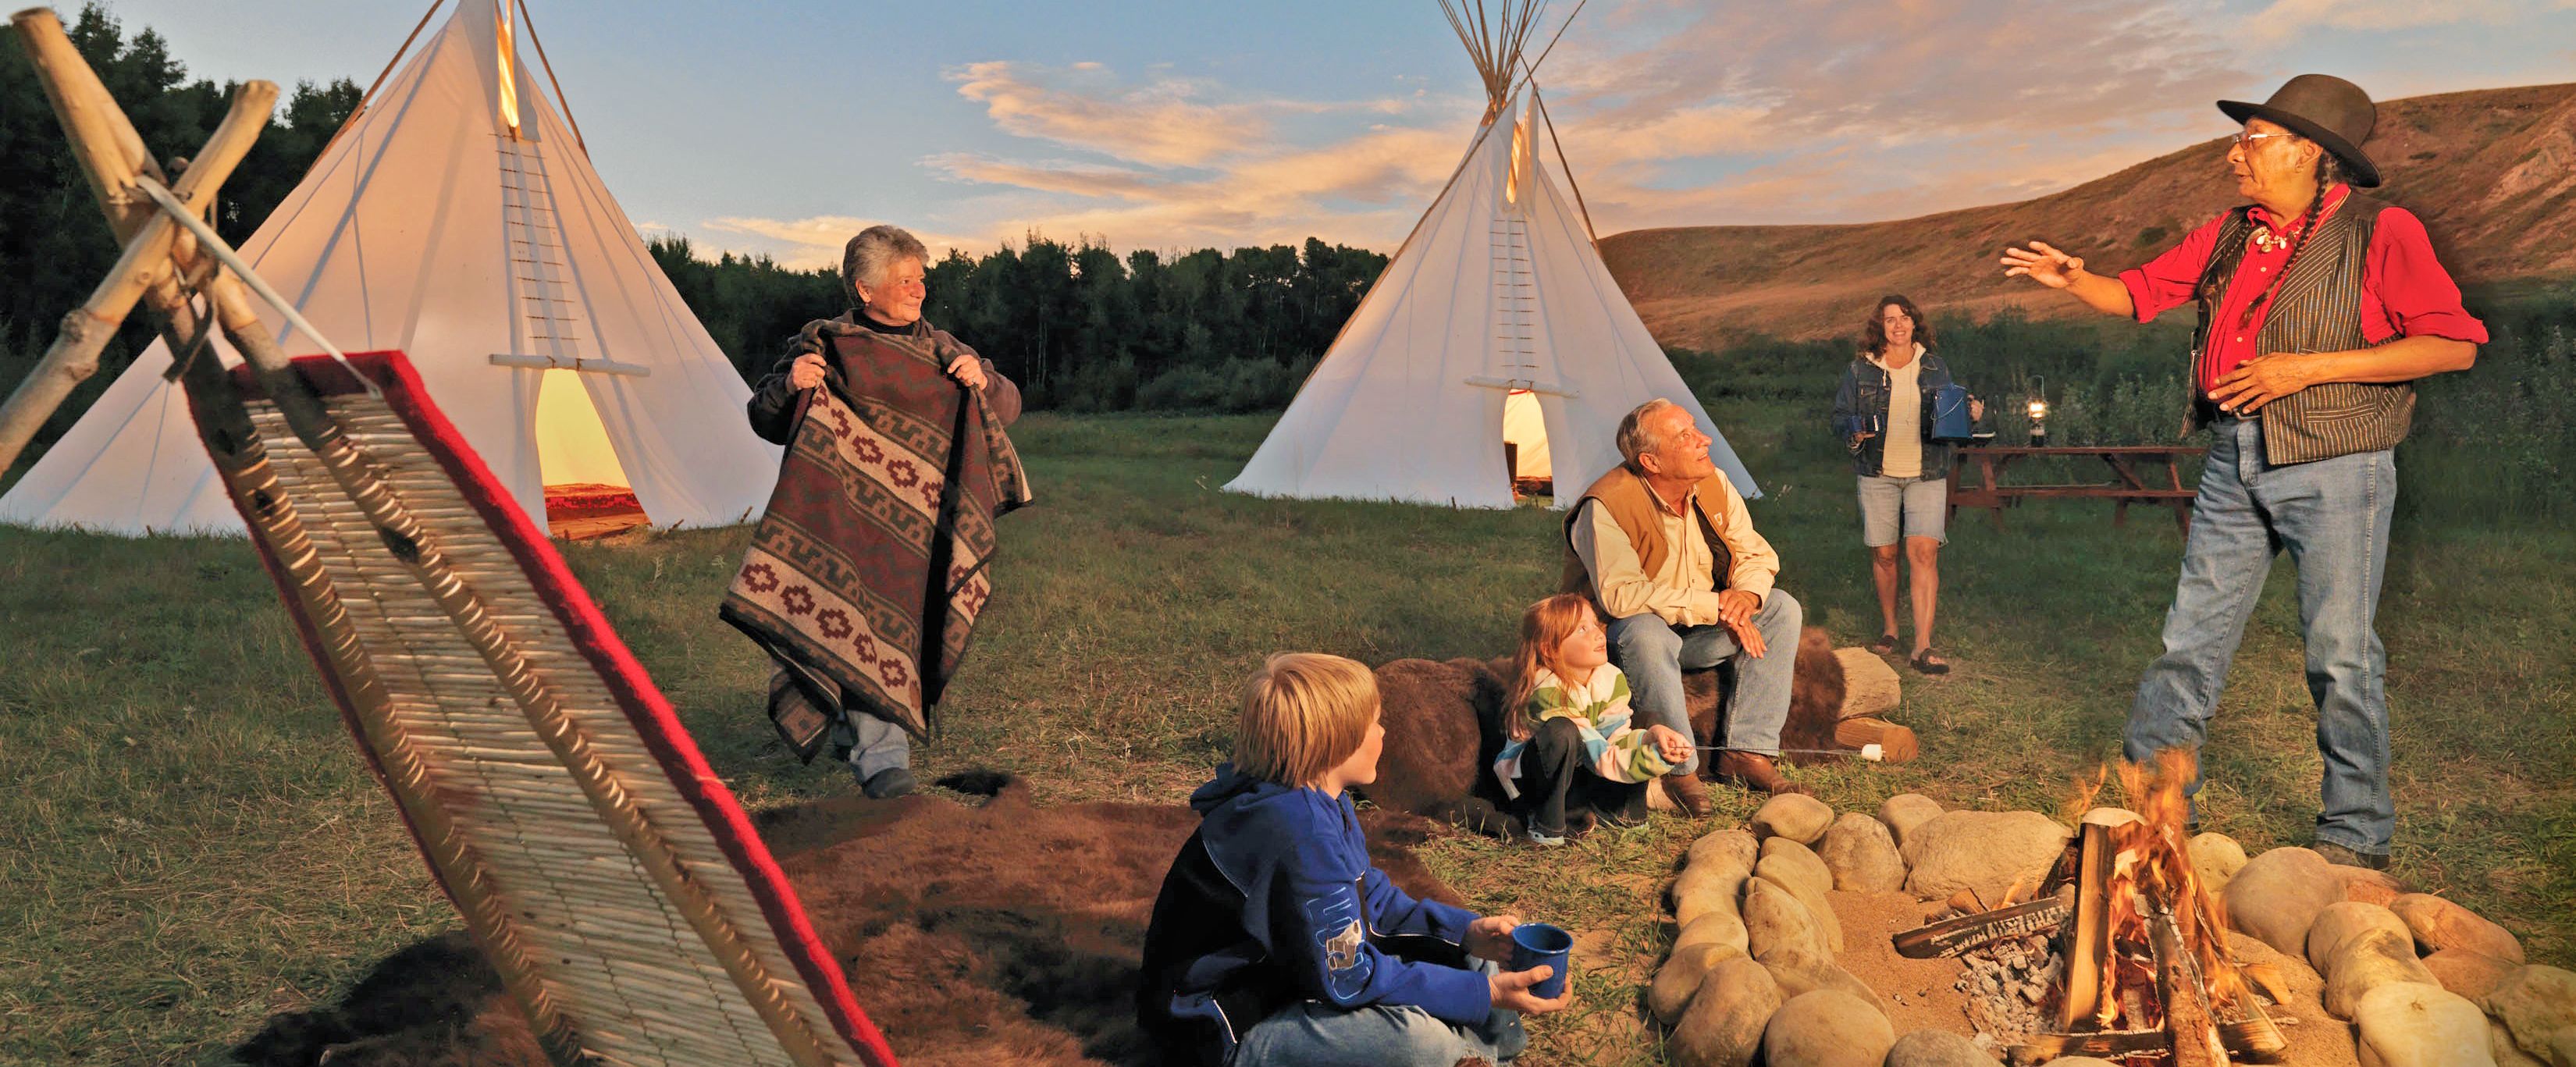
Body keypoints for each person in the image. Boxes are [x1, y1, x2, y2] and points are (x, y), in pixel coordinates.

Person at [2001, 75, 2485, 870]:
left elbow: (2453, 343)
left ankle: (2355, 836)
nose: (2235, 154)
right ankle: (2154, 816)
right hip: (2234, 456)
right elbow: (2137, 294)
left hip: (2338, 463)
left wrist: (2306, 369)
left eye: (2252, 140)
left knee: (2340, 650)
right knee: (2190, 639)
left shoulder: (2381, 231)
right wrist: (2074, 279)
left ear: (2310, 152)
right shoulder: (2234, 230)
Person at [1137, 653, 1571, 1067]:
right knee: (1418, 1042)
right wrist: (1484, 993)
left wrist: (1467, 933)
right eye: (1375, 723)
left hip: (1290, 975)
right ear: (1334, 742)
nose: (1384, 733)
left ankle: (1479, 1044)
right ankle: (1467, 1053)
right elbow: (1349, 976)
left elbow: (1373, 904)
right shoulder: (1298, 833)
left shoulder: (1324, 797)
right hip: (1224, 1030)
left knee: (1472, 952)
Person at [741, 225, 1023, 799]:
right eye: (905, 280)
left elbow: (1009, 404)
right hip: (840, 524)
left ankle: (856, 730)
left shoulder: (943, 348)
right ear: (865, 289)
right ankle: (883, 763)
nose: (920, 290)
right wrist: (790, 386)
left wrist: (985, 382)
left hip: (916, 537)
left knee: (892, 631)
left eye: (922, 278)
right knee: (856, 624)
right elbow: (764, 417)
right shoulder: (828, 345)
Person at [1560, 398, 1809, 809]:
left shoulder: (1713, 483)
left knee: (1780, 608)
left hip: (1694, 635)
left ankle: (1746, 752)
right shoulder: (1605, 506)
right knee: (1643, 629)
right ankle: (1679, 769)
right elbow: (1621, 596)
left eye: (1696, 429)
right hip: (1619, 644)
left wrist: (1745, 596)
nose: (1704, 440)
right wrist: (1715, 605)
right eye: (1686, 436)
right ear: (1651, 462)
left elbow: (1755, 555)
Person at [1830, 294, 1983, 674]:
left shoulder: (1934, 366)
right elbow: (1840, 416)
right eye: (1889, 320)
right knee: (1884, 556)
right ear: (1879, 327)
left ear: (1915, 323)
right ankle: (1890, 630)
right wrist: (1854, 433)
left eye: (1904, 318)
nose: (1898, 325)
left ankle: (1922, 646)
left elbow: (1950, 416)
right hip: (1877, 473)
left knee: (1924, 553)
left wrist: (1971, 416)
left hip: (1926, 471)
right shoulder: (1861, 370)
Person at [1491, 594, 1695, 845]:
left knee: (1647, 722)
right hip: (1535, 782)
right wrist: (1651, 759)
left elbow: (1615, 735)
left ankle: (1620, 812)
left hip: (1586, 762)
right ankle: (1547, 825)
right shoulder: (1547, 691)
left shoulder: (1609, 678)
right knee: (1562, 731)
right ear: (1550, 650)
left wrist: (1654, 736)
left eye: (1595, 624)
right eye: (1582, 630)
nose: (1598, 634)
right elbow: (1596, 752)